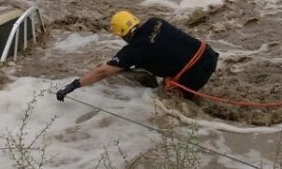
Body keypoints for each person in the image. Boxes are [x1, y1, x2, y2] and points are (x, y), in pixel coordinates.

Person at [54, 11, 219, 102]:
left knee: (169, 104)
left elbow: (103, 71)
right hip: (209, 55)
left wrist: (74, 85)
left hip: (192, 76)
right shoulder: (156, 22)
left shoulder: (133, 51)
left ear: (121, 35)